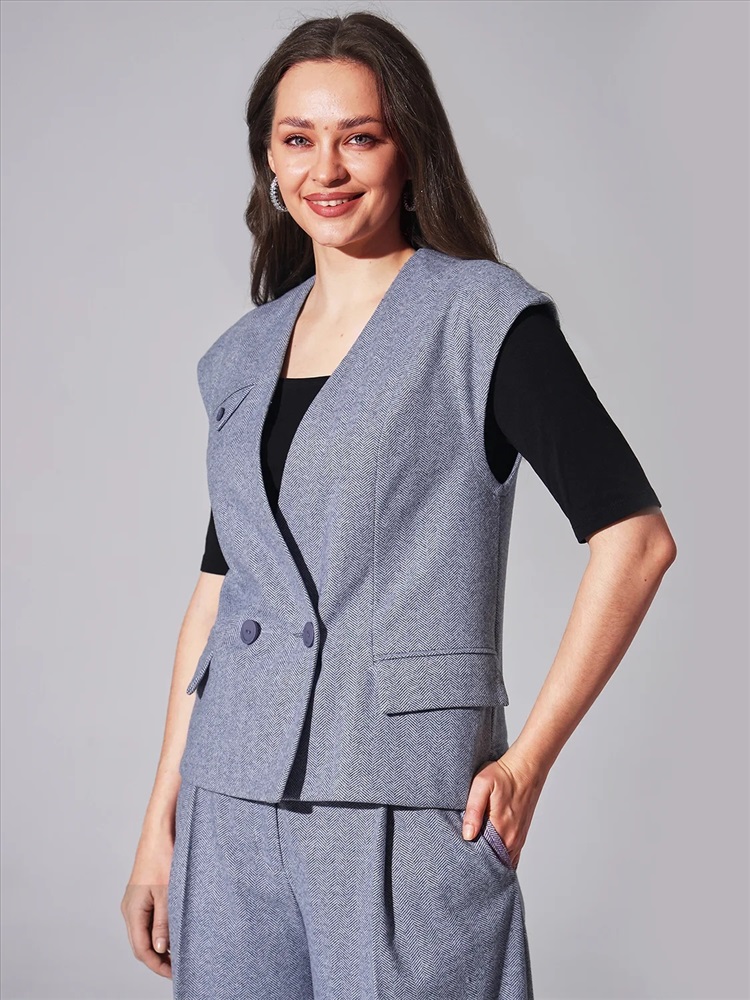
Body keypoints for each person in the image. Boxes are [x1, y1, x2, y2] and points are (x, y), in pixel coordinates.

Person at [121, 11, 677, 999]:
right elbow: (217, 591)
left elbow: (635, 542)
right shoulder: (240, 356)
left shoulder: (482, 318)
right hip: (228, 799)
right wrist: (159, 822)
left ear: (408, 149)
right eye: (299, 139)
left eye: (360, 137)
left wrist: (527, 763)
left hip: (401, 800)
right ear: (269, 161)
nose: (326, 169)